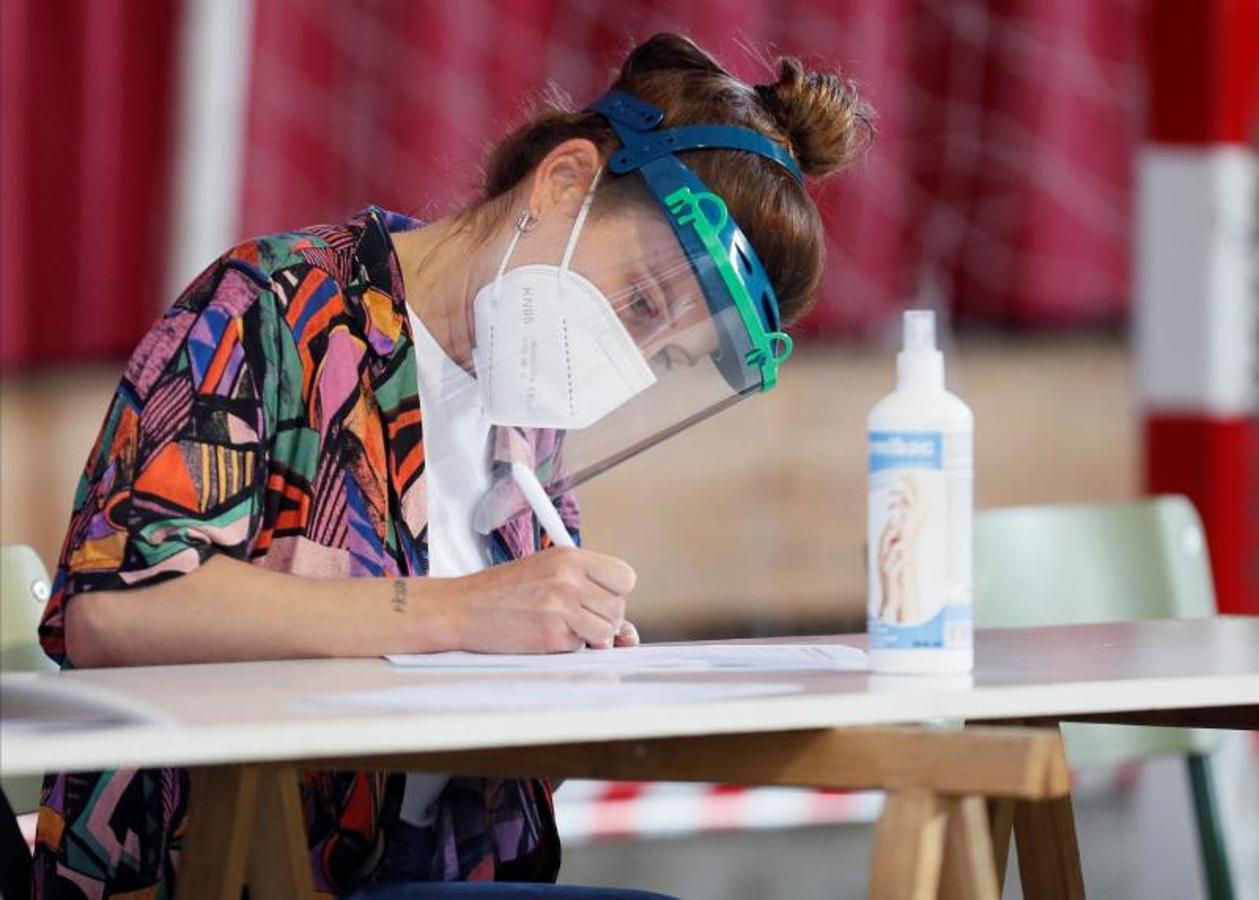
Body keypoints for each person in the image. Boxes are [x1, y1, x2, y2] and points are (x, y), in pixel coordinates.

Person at [32, 32, 872, 897]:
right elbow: (115, 614)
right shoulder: (276, 310)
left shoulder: (524, 416)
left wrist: (571, 672)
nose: (630, 356)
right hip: (214, 867)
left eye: (667, 355)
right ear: (563, 181)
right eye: (643, 303)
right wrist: (462, 610)